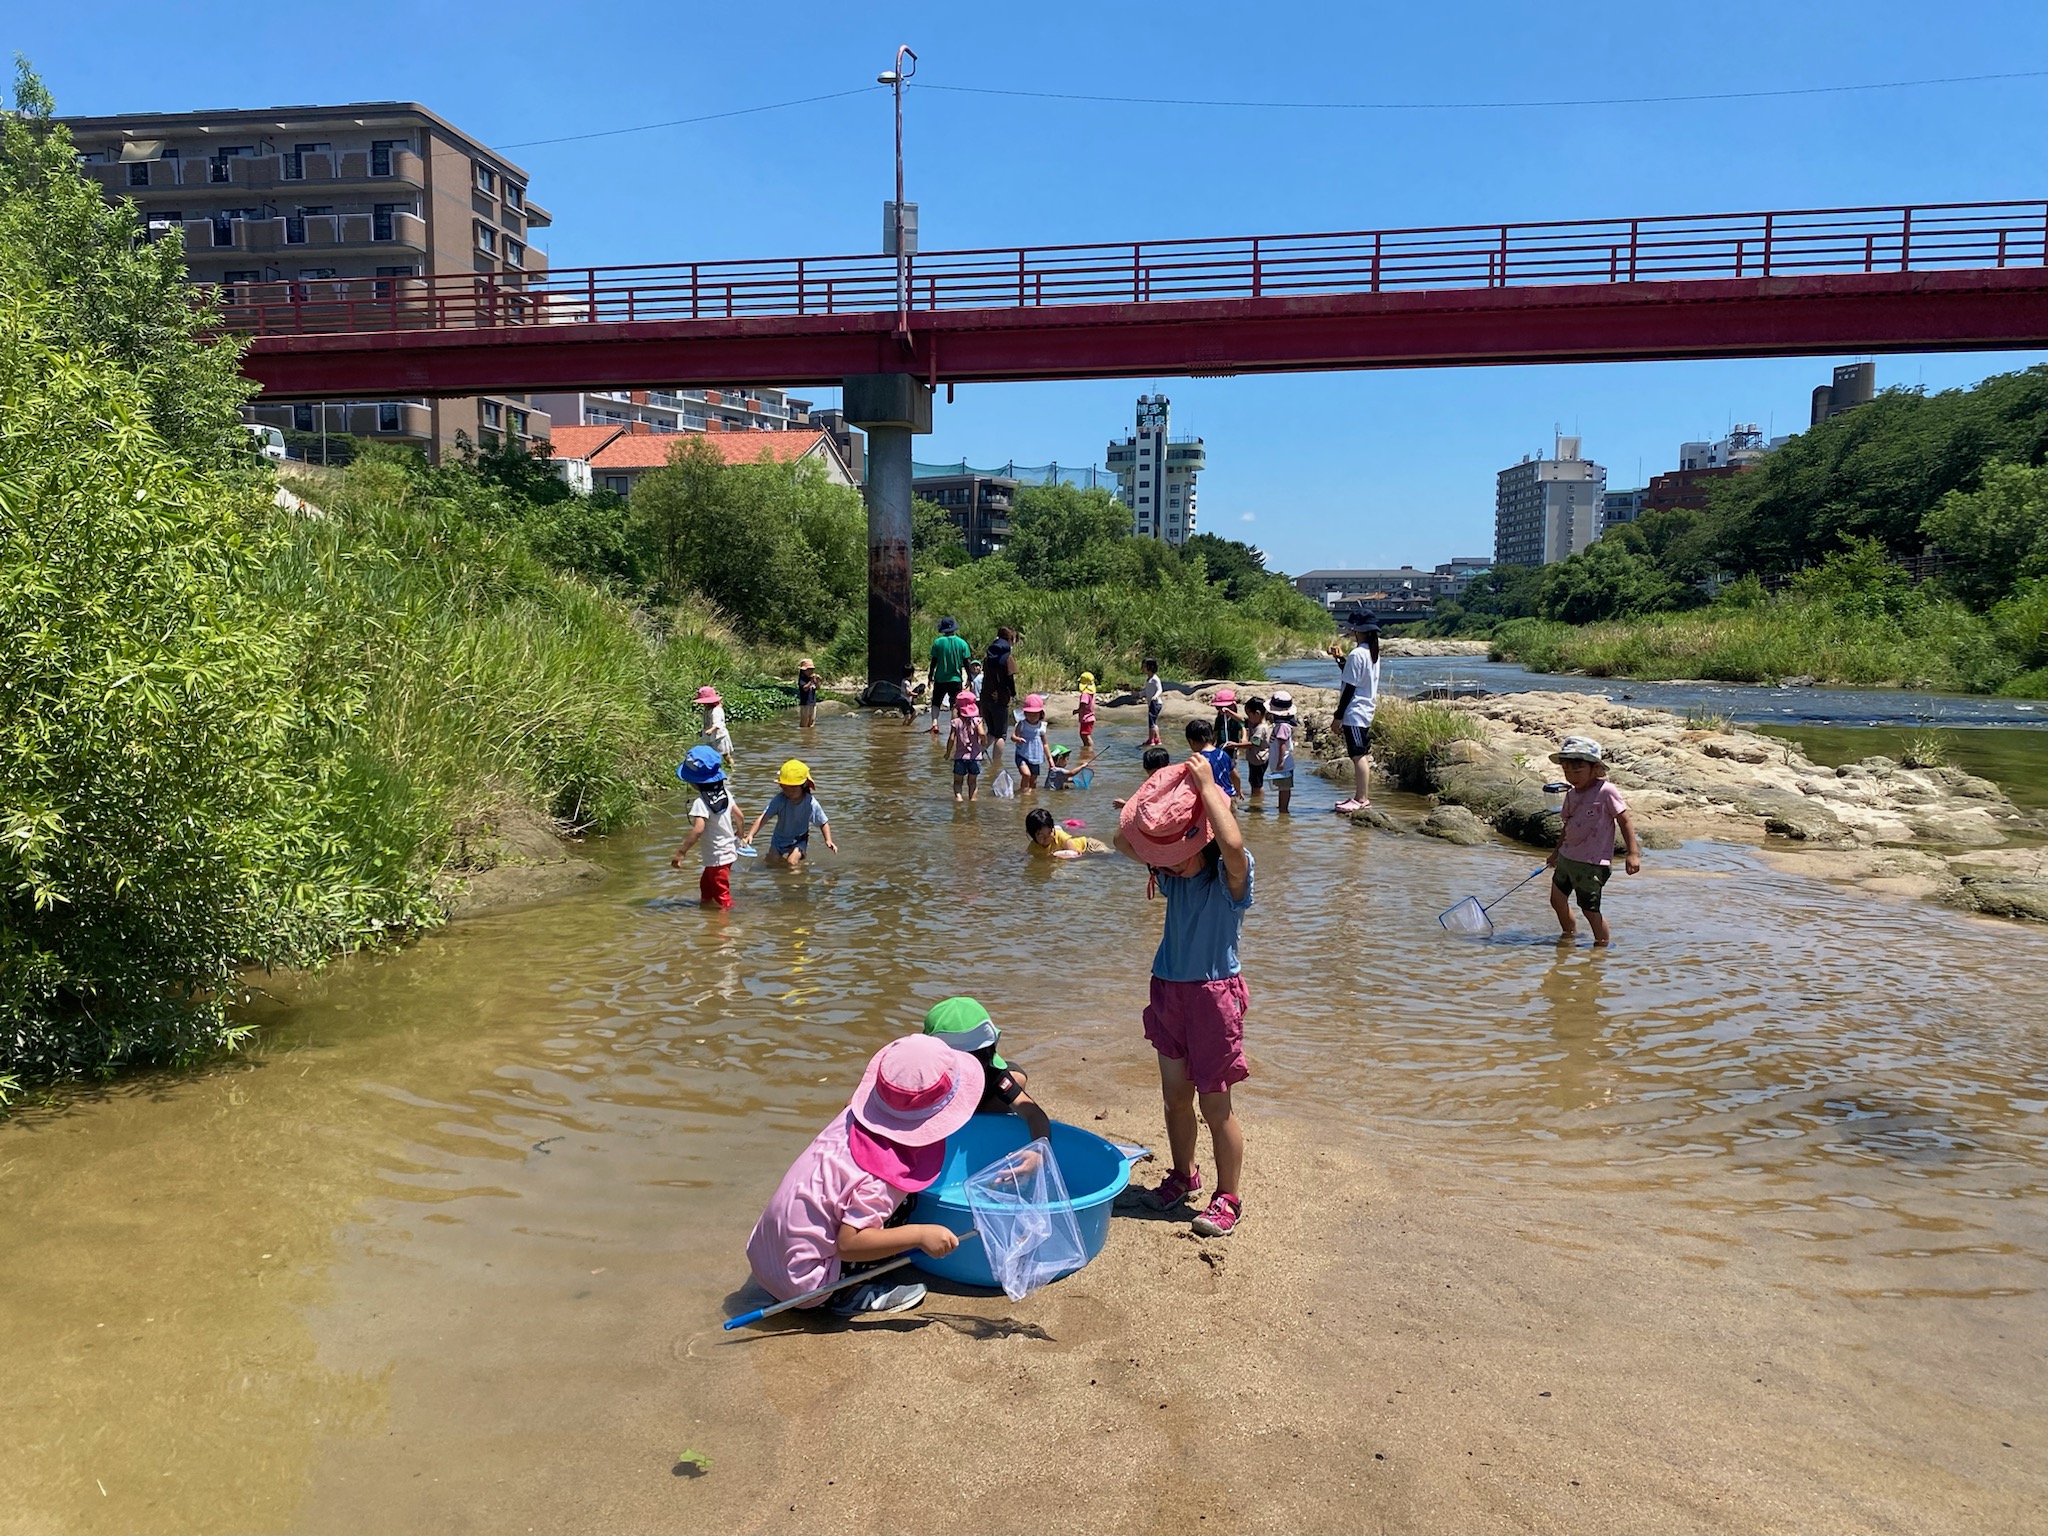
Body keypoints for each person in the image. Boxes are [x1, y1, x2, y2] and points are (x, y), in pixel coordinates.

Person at [1113, 755, 1254, 1239]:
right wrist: (1146, 823)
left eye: (1180, 847)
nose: (1170, 861)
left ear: (1205, 836)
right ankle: (1183, 1173)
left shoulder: (1230, 879)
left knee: (1217, 1107)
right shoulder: (1175, 875)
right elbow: (1118, 842)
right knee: (1175, 1098)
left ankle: (1228, 1196)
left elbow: (1232, 844)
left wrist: (1206, 787)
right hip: (1169, 988)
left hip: (1213, 997)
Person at [744, 1035, 975, 1318]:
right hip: (807, 1288)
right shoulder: (881, 1176)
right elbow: (849, 1244)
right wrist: (920, 1235)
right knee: (906, 1204)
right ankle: (849, 1292)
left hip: (766, 1260)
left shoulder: (851, 1115)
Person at [1545, 735, 1642, 946]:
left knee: (1589, 909)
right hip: (1567, 858)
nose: (1572, 776)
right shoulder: (1571, 793)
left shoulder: (1606, 791)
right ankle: (1568, 936)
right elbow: (1567, 825)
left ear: (1595, 768)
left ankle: (1601, 945)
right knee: (1557, 900)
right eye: (1567, 771)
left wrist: (1632, 854)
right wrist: (1555, 853)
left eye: (1577, 771)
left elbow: (1624, 821)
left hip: (1591, 864)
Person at [921, 996, 1054, 1143]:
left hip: (988, 1089)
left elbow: (1034, 1114)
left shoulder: (991, 1071)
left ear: (987, 1055)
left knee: (1017, 1079)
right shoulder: (927, 1073)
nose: (969, 1071)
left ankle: (985, 1115)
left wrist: (1040, 1148)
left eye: (976, 1062)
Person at [670, 746, 746, 909]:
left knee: (722, 895)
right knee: (706, 886)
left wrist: (681, 852)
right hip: (726, 853)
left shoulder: (701, 803)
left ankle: (724, 925)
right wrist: (740, 835)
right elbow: (740, 816)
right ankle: (706, 909)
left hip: (717, 857)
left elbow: (698, 829)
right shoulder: (725, 793)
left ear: (692, 782)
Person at [1332, 610, 1381, 814]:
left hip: (1355, 711)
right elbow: (1357, 679)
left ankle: (1362, 798)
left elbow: (1350, 688)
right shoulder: (1372, 652)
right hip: (1366, 709)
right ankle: (1361, 797)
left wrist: (1338, 716)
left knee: (1357, 755)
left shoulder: (1357, 654)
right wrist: (1340, 660)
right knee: (1359, 753)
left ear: (1357, 630)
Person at [745, 759, 837, 868]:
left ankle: (798, 878)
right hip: (779, 839)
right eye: (785, 788)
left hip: (799, 839)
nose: (789, 792)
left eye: (793, 788)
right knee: (771, 861)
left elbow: (823, 822)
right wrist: (750, 835)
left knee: (791, 863)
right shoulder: (779, 800)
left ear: (804, 785)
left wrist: (828, 840)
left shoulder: (810, 803)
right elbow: (764, 817)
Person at [927, 617, 972, 735]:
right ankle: (954, 726)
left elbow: (934, 662)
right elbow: (966, 662)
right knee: (955, 704)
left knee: (936, 702)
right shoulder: (962, 643)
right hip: (956, 679)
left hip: (940, 678)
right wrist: (969, 677)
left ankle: (934, 724)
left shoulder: (938, 642)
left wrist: (930, 676)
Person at [1026, 805, 1111, 859]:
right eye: (1041, 836)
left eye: (1049, 833)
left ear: (1052, 829)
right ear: (1032, 835)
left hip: (1089, 845)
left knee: (1107, 854)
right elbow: (1027, 856)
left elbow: (1076, 854)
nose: (1046, 838)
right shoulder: (1034, 845)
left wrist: (1056, 855)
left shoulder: (1061, 836)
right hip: (1080, 851)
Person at [948, 693, 987, 803]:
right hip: (974, 758)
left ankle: (959, 798)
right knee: (972, 782)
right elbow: (982, 734)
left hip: (960, 758)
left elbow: (951, 739)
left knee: (957, 782)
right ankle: (972, 799)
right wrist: (984, 743)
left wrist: (947, 753)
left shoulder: (956, 722)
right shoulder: (977, 721)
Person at [1264, 691, 1298, 815]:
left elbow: (1282, 745)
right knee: (1282, 787)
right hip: (1282, 762)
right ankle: (1281, 808)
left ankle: (1283, 810)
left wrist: (1280, 761)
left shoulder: (1282, 726)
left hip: (1283, 763)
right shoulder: (1281, 725)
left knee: (1284, 788)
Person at [1185, 717, 1238, 798]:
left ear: (1191, 741)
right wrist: (1238, 790)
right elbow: (1235, 775)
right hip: (1229, 795)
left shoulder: (1198, 760)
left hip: (1213, 799)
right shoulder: (1223, 754)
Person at [1114, 745, 1175, 810]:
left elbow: (1147, 809)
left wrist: (1125, 805)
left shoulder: (1151, 786)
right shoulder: (1175, 779)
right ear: (1168, 764)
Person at [1012, 693, 1050, 791]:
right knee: (1026, 774)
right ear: (1025, 713)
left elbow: (1045, 744)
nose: (1032, 717)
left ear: (1040, 714)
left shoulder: (1041, 726)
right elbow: (1013, 736)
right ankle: (1023, 793)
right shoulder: (1022, 724)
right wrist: (1017, 739)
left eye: (1035, 714)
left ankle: (1031, 797)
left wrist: (1050, 759)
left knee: (1033, 780)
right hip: (1022, 754)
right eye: (1029, 714)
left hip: (1035, 756)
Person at [1241, 696, 1271, 807]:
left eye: (1249, 715)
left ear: (1257, 713)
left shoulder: (1261, 729)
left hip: (1259, 759)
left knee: (1257, 784)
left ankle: (1257, 803)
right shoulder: (1255, 723)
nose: (1248, 718)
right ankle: (1255, 800)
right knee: (1253, 781)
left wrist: (1235, 745)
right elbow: (1243, 721)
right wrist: (1230, 713)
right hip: (1254, 758)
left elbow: (1253, 744)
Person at [697, 686, 734, 768]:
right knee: (711, 753)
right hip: (712, 737)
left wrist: (710, 730)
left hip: (720, 736)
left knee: (725, 755)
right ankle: (715, 768)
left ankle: (731, 768)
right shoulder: (707, 710)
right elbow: (707, 723)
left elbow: (718, 724)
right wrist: (703, 731)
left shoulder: (716, 711)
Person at [1075, 671, 1099, 758]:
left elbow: (1083, 704)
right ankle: (1087, 748)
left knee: (1085, 735)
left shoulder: (1085, 694)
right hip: (1090, 717)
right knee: (1084, 735)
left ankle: (1089, 750)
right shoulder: (1091, 693)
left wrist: (1077, 711)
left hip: (1086, 717)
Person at [1141, 657, 1164, 747]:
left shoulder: (1155, 679)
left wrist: (1155, 696)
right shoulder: (1149, 679)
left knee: (1151, 722)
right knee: (1153, 721)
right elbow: (1146, 691)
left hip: (1155, 703)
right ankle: (1157, 739)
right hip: (1152, 703)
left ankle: (1151, 740)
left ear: (1150, 667)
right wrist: (1139, 694)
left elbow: (1160, 689)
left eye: (1144, 666)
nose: (1142, 668)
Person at [796, 657, 820, 730]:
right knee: (804, 722)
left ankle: (810, 735)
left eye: (811, 669)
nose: (811, 671)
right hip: (805, 704)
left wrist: (817, 681)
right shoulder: (802, 679)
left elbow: (817, 688)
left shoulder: (812, 678)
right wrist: (811, 681)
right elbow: (805, 688)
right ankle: (804, 735)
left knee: (812, 721)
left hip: (812, 703)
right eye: (809, 669)